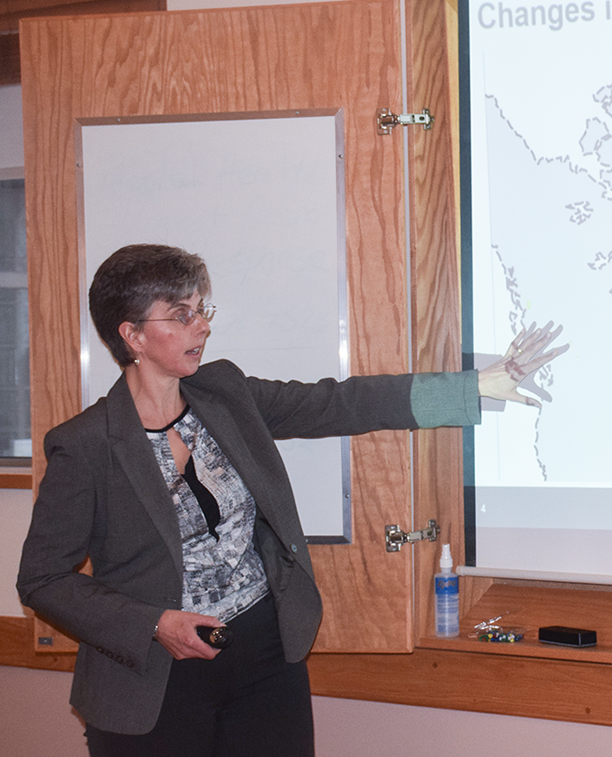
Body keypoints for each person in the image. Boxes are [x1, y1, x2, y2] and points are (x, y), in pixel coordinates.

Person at [17, 244, 568, 757]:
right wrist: (153, 623)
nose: (203, 324)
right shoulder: (85, 444)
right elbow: (42, 580)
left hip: (263, 655)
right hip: (151, 679)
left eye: (201, 308)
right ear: (132, 335)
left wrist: (472, 387)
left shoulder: (225, 392)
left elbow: (337, 404)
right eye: (181, 314)